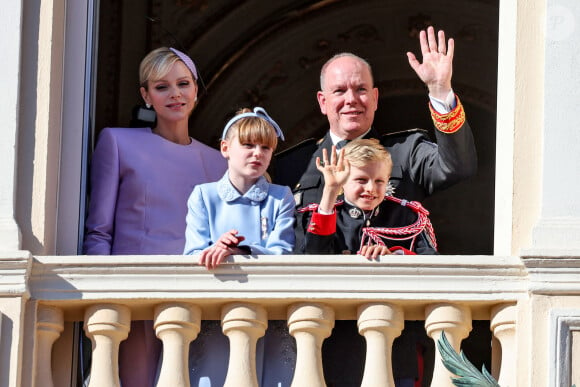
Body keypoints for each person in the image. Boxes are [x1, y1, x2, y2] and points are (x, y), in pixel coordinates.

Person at [271, 26, 476, 387]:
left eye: (361, 89)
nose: (352, 99)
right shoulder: (292, 166)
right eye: (340, 91)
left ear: (376, 97)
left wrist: (440, 91)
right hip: (314, 337)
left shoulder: (405, 152)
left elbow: (456, 166)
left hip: (390, 333)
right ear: (322, 101)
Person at [82, 47, 227, 387]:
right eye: (162, 87)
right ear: (146, 95)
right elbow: (99, 233)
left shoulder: (221, 162)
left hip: (200, 298)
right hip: (135, 298)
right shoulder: (118, 142)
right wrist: (103, 301)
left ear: (196, 90)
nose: (175, 94)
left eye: (183, 83)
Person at [183, 107, 295, 386]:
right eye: (248, 145)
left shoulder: (281, 197)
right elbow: (192, 254)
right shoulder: (203, 195)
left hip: (267, 316)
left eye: (265, 147)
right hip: (215, 316)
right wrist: (215, 248)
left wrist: (240, 250)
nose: (257, 153)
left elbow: (282, 252)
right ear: (225, 148)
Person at [300, 139, 436, 258]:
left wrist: (395, 257)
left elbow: (432, 262)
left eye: (379, 181)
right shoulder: (322, 215)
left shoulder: (407, 216)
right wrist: (330, 191)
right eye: (361, 180)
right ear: (343, 180)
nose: (371, 188)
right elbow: (313, 256)